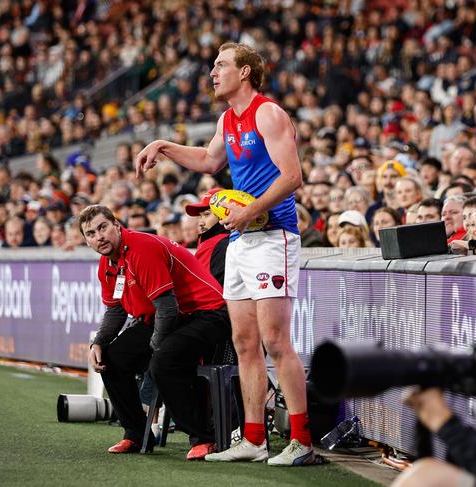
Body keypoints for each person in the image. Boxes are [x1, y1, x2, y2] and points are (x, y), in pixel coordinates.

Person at [134, 42, 314, 466]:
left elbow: (294, 177)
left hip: (274, 236)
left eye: (221, 65)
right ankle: (253, 439)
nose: (212, 72)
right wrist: (162, 145)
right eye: (213, 66)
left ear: (246, 72)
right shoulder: (227, 119)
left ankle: (302, 441)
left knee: (275, 341)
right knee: (244, 342)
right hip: (242, 241)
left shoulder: (268, 113)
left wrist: (249, 210)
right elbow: (208, 160)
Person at [82, 205, 231, 461]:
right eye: (91, 233)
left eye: (103, 227)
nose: (99, 237)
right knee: (111, 357)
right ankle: (137, 433)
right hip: (169, 317)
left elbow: (167, 307)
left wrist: (155, 346)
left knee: (164, 359)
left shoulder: (141, 247)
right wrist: (99, 342)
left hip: (208, 314)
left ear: (117, 225)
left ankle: (204, 438)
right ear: (86, 240)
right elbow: (116, 311)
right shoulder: (107, 264)